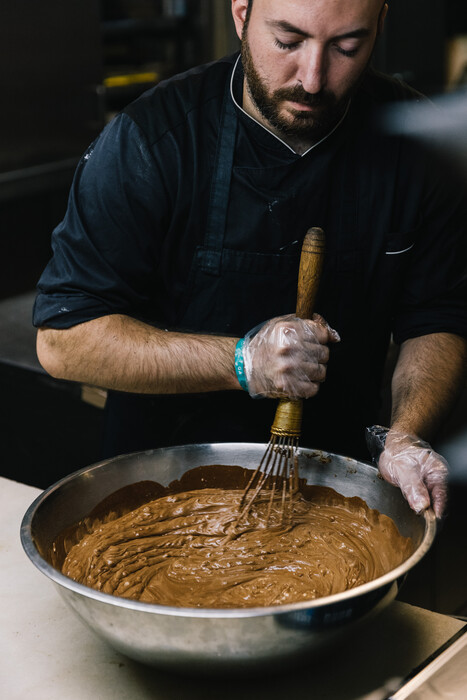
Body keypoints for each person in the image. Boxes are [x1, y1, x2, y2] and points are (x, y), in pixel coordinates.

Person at [33, 0, 467, 518]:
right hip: (160, 496)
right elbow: (64, 340)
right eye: (287, 42)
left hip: (338, 495)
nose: (312, 79)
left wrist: (405, 435)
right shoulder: (152, 142)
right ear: (241, 13)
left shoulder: (416, 151)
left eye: (347, 48)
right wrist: (243, 361)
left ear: (379, 27)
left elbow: (438, 317)